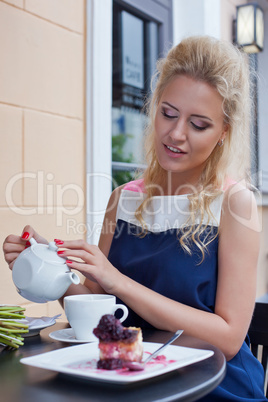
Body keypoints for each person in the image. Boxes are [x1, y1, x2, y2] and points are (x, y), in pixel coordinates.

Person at [3, 36, 267, 401]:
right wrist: (47, 265)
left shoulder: (235, 203)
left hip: (212, 388)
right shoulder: (123, 199)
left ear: (224, 132)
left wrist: (117, 281)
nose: (175, 134)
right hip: (127, 382)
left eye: (199, 124)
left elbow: (229, 336)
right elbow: (97, 313)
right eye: (168, 113)